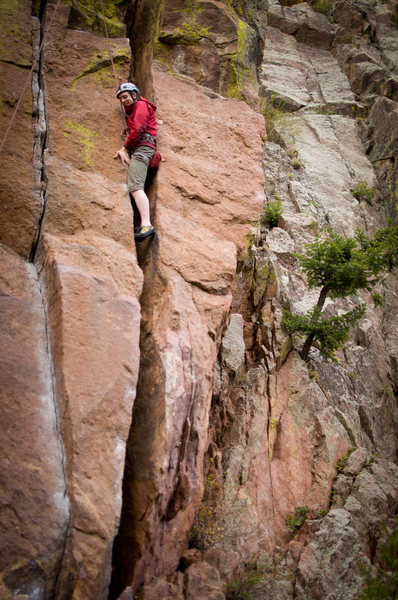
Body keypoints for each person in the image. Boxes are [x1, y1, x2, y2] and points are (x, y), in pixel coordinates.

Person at [114, 82, 158, 241]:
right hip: (144, 150)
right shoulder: (139, 108)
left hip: (142, 151)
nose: (123, 100)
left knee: (135, 185)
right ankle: (146, 222)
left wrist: (125, 148)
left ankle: (146, 224)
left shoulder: (140, 105)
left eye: (125, 97)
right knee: (136, 185)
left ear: (134, 94)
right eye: (120, 99)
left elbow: (138, 129)